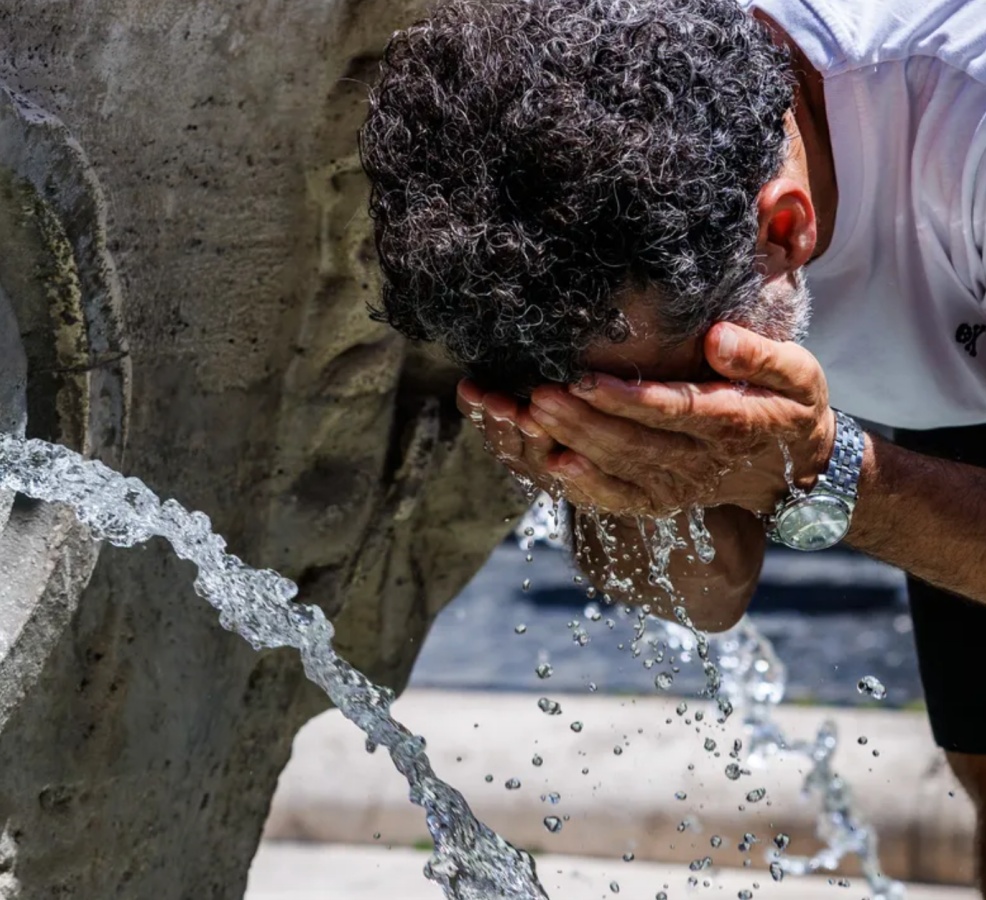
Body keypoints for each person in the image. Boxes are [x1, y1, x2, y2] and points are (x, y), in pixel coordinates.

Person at [359, 0, 986, 887]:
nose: (647, 420)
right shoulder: (572, 136)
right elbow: (706, 593)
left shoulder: (961, 133)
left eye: (671, 394)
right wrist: (604, 467)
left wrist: (819, 472)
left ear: (784, 229)